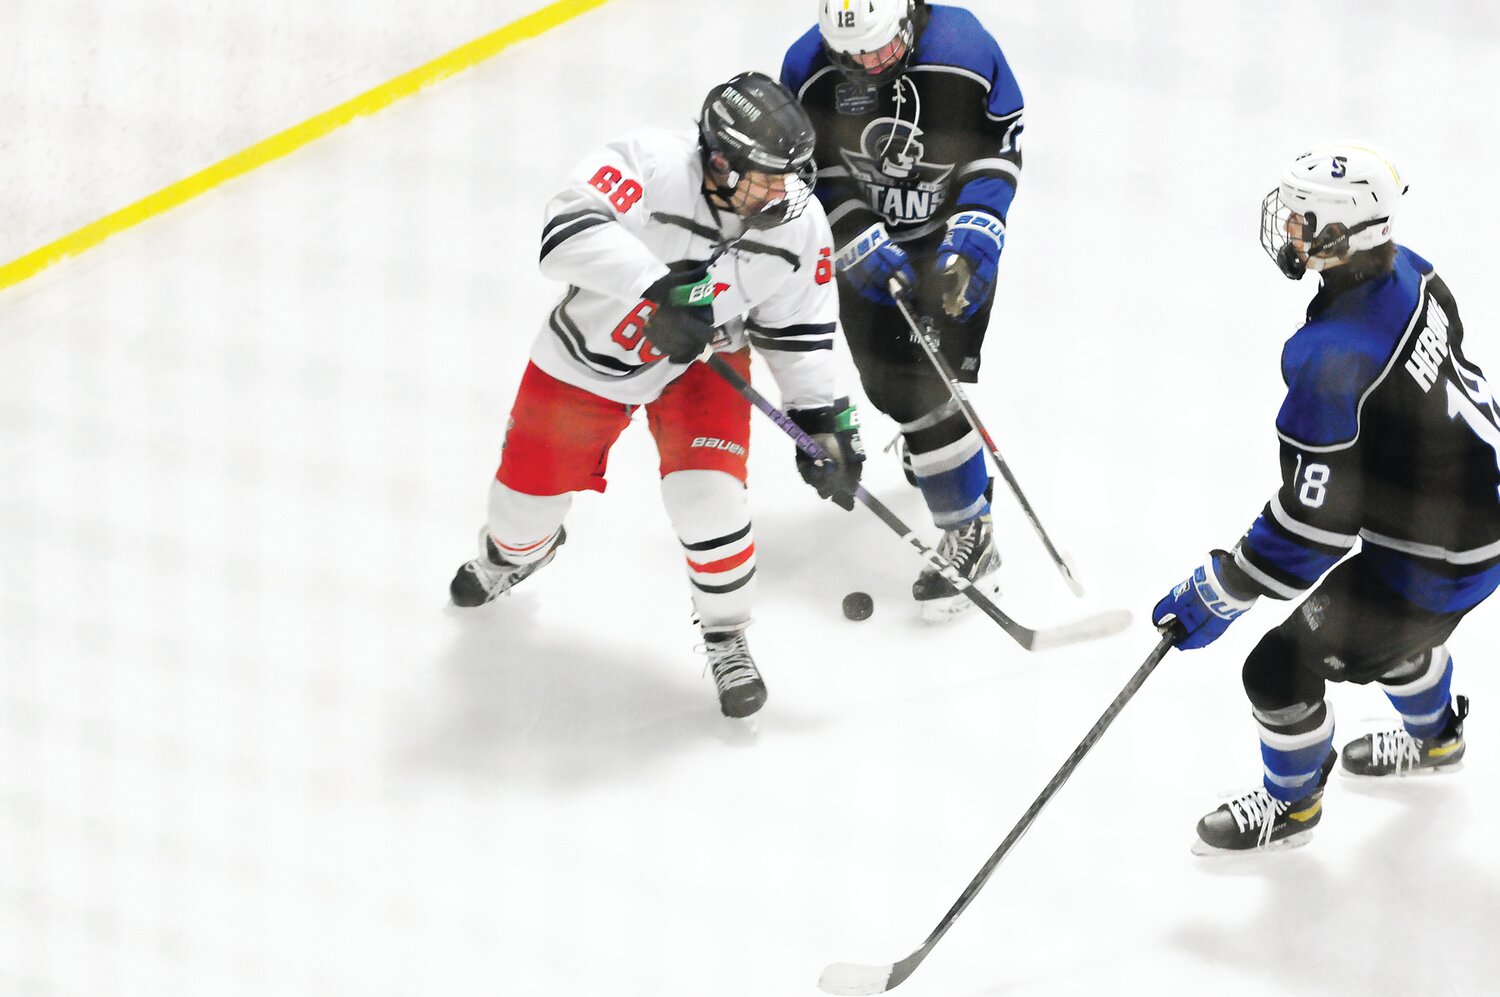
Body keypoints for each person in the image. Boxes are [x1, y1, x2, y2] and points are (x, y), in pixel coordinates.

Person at [448, 72, 865, 720]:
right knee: (520, 517)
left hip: (701, 363)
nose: (781, 192)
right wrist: (655, 286)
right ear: (720, 162)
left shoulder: (797, 222)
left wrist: (822, 419)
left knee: (710, 503)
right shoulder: (649, 162)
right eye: (765, 176)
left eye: (788, 176)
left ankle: (727, 635)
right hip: (589, 361)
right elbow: (564, 230)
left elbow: (798, 327)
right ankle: (514, 554)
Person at [1152, 143, 1500, 853]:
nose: (1289, 231)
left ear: (1342, 237)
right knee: (1392, 634)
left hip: (1440, 554)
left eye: (1303, 222)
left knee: (1277, 669)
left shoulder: (1332, 356)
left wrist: (1229, 580)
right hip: (1474, 509)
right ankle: (1438, 740)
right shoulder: (1416, 273)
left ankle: (1291, 808)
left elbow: (1318, 521)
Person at [780, 0, 1024, 621]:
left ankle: (973, 533)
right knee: (887, 386)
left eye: (878, 49)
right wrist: (851, 226)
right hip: (866, 253)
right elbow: (806, 169)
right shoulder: (808, 68)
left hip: (950, 244)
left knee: (929, 390)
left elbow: (999, 147)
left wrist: (978, 226)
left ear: (910, 17)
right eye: (851, 54)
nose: (865, 63)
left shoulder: (963, 53)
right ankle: (934, 446)